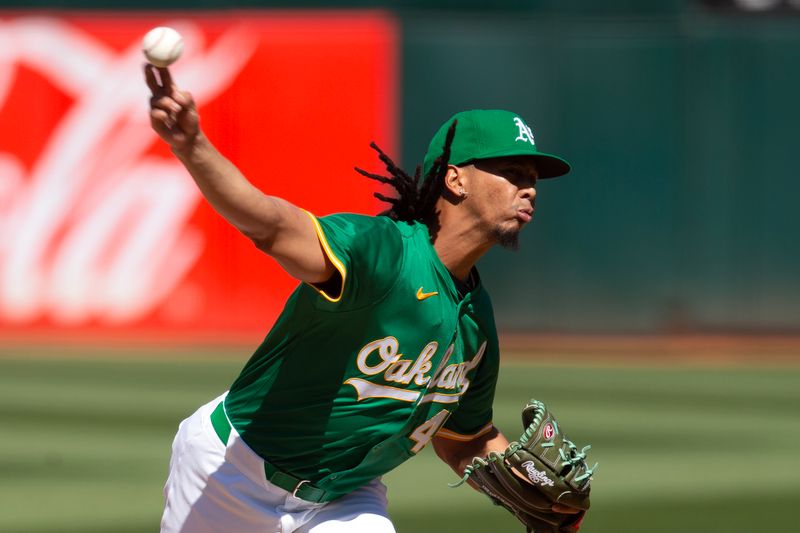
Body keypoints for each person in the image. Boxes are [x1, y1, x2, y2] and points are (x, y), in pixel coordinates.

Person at [145, 64, 576, 533]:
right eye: (512, 171)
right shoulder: (381, 252)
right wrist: (193, 147)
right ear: (456, 180)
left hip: (343, 499)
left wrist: (539, 492)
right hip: (229, 472)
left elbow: (464, 438)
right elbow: (270, 225)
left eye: (533, 177)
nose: (529, 187)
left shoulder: (477, 320)